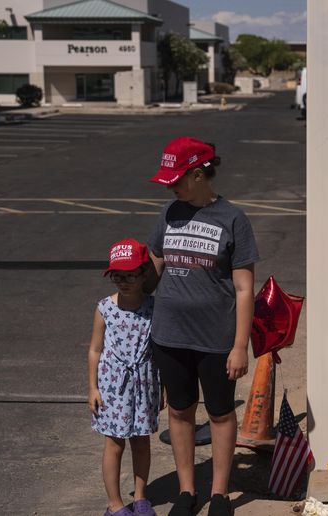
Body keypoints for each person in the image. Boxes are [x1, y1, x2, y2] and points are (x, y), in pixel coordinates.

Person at [146, 136, 259, 516]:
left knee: (220, 413)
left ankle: (220, 494)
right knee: (179, 410)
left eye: (175, 180)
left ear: (198, 174)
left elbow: (244, 288)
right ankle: (186, 490)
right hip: (169, 334)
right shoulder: (169, 213)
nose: (170, 186)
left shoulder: (233, 219)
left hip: (215, 338)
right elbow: (154, 268)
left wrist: (240, 345)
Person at [88, 238, 160, 516]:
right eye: (118, 276)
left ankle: (141, 497)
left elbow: (159, 349)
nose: (124, 281)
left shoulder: (153, 307)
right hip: (112, 386)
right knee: (114, 443)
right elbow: (95, 349)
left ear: (144, 274)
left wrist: (162, 387)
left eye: (130, 275)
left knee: (141, 441)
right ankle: (114, 503)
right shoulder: (105, 308)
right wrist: (92, 387)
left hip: (144, 384)